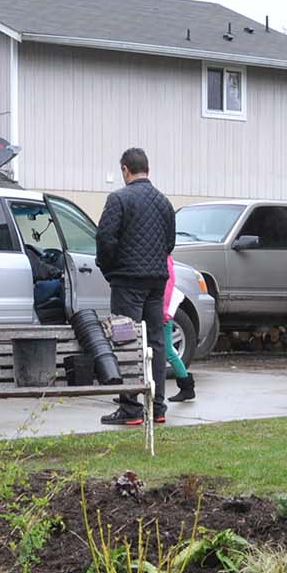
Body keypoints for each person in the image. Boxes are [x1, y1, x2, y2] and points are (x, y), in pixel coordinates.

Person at [94, 147, 175, 426]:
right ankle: (158, 406)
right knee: (155, 342)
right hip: (156, 280)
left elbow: (105, 238)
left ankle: (130, 408)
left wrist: (109, 269)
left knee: (126, 341)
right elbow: (170, 243)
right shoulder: (164, 202)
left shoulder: (118, 199)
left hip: (127, 280)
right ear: (148, 170)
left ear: (125, 170)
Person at [163, 255, 195, 404]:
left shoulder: (163, 260)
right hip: (164, 310)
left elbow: (167, 287)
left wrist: (165, 313)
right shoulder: (164, 258)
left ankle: (187, 387)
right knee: (166, 350)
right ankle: (187, 387)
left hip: (164, 312)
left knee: (168, 350)